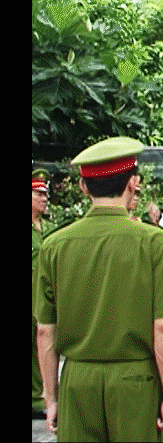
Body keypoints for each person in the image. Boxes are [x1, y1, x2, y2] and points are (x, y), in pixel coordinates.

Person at [34, 136, 163, 442]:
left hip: (77, 380)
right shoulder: (153, 242)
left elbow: (45, 331)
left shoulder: (54, 245)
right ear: (133, 184)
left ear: (83, 188)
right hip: (134, 380)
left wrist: (51, 399)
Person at [32, 169, 50, 420]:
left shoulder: (44, 226)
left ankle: (37, 398)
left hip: (39, 298)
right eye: (38, 194)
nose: (44, 198)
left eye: (45, 194)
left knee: (38, 348)